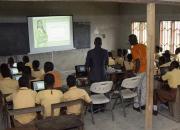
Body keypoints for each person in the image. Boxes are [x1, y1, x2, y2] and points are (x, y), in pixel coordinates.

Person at [129, 34, 147, 111]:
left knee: (137, 87)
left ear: (133, 40)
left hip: (139, 70)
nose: (129, 41)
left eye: (130, 40)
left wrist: (135, 72)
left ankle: (136, 105)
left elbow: (137, 61)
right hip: (146, 69)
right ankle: (143, 104)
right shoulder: (143, 46)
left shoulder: (134, 49)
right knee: (144, 87)